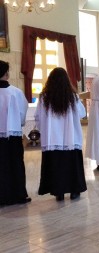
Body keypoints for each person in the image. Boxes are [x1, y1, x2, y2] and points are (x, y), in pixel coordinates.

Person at [35, 67, 87, 201]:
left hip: (53, 140)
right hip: (70, 138)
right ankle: (75, 190)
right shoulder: (73, 97)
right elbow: (82, 114)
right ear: (67, 80)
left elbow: (38, 117)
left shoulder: (44, 97)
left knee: (56, 166)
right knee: (72, 165)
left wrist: (46, 130)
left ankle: (59, 191)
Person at [0, 60, 31, 206]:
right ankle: (18, 195)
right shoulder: (15, 92)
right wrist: (18, 123)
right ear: (6, 73)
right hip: (12, 134)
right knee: (16, 164)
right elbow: (22, 112)